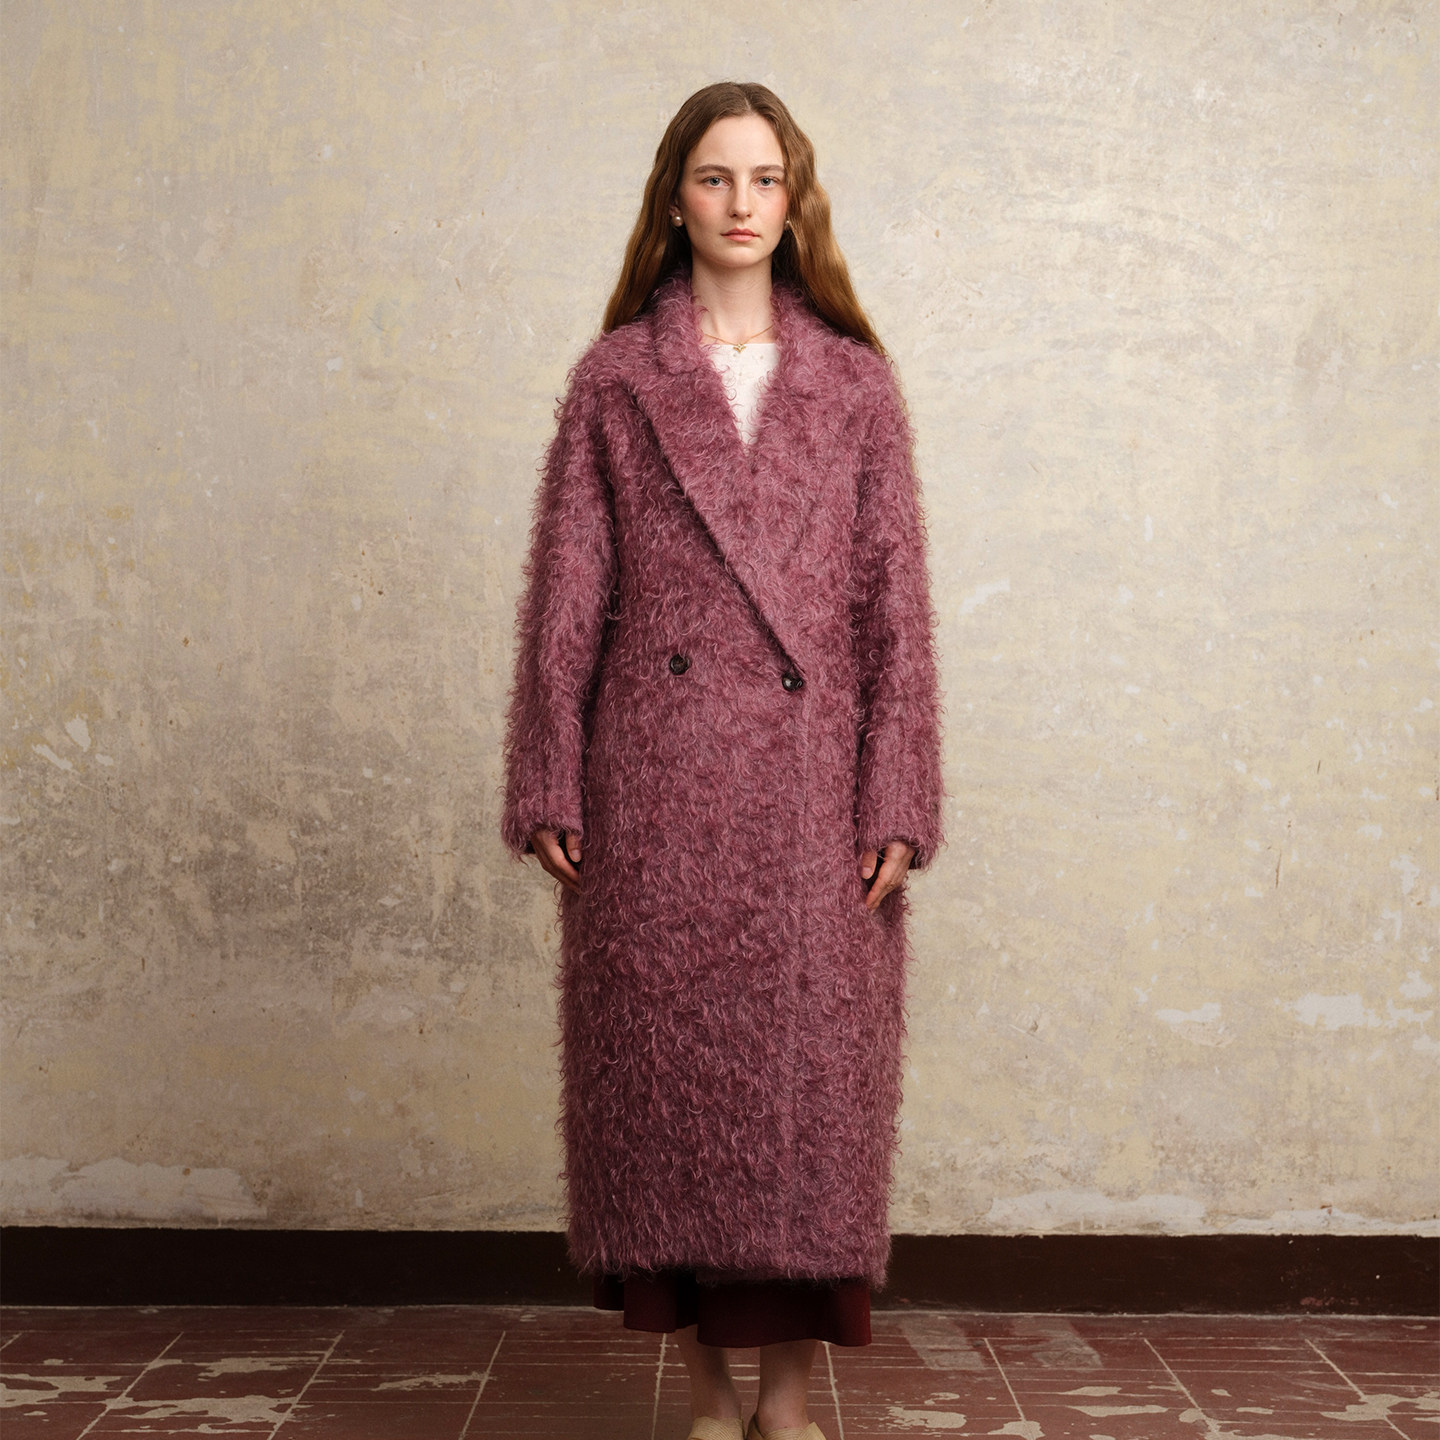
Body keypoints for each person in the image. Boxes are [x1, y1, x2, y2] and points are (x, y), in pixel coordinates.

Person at [501, 81, 944, 1440]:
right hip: (658, 778)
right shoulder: (616, 381)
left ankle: (791, 1402)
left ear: (795, 200)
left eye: (764, 178)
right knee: (667, 1095)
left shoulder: (855, 386)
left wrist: (900, 793)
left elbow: (894, 611)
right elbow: (567, 596)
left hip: (816, 790)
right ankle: (703, 1395)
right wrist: (548, 772)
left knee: (811, 1102)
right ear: (674, 199)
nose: (741, 204)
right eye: (713, 177)